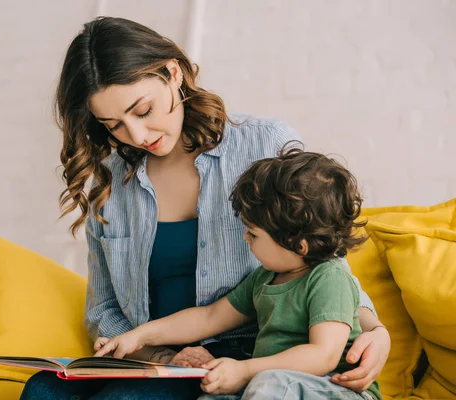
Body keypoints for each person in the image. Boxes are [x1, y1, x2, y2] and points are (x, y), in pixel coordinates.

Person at [20, 16, 390, 400]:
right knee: (42, 390)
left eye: (143, 110)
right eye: (113, 125)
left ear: (173, 73)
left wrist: (376, 332)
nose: (137, 135)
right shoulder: (109, 184)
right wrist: (156, 353)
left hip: (241, 355)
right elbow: (104, 310)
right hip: (154, 358)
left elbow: (322, 257)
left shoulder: (262, 144)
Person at [95, 147, 383, 400]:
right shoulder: (264, 278)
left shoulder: (328, 279)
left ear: (298, 244)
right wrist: (140, 335)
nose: (245, 239)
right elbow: (209, 317)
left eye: (253, 234)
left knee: (269, 384)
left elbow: (324, 355)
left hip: (334, 389)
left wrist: (244, 370)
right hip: (269, 385)